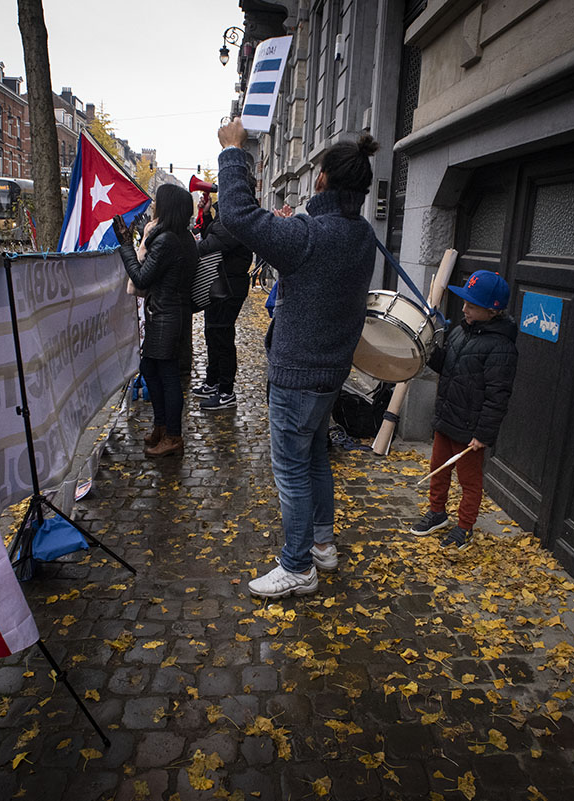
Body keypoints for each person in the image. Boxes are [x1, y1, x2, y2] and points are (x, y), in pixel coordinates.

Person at [215, 118, 378, 599]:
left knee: (291, 471)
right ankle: (323, 545)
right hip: (330, 373)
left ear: (323, 180)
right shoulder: (362, 234)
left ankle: (298, 566)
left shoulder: (310, 235)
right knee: (314, 460)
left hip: (298, 377)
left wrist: (233, 152)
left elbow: (239, 216)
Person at [409, 270, 518, 549]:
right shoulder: (460, 331)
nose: (464, 309)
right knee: (437, 468)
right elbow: (447, 367)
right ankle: (437, 513)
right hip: (447, 418)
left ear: (492, 310)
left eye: (472, 305)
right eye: (465, 302)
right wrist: (429, 352)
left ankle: (465, 527)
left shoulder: (501, 347)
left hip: (470, 431)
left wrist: (483, 434)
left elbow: (498, 396)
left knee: (469, 481)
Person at [114, 183, 198, 458]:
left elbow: (141, 278)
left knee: (168, 377)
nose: (153, 208)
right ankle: (162, 426)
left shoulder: (166, 241)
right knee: (150, 368)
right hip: (170, 314)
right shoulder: (182, 237)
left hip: (165, 316)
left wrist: (126, 247)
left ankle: (173, 435)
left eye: (157, 203)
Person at [192, 192, 253, 411]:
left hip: (229, 286)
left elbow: (212, 244)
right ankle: (213, 381)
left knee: (222, 335)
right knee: (212, 333)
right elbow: (212, 236)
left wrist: (188, 247)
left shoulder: (236, 215)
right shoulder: (229, 213)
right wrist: (207, 215)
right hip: (220, 282)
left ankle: (226, 391)